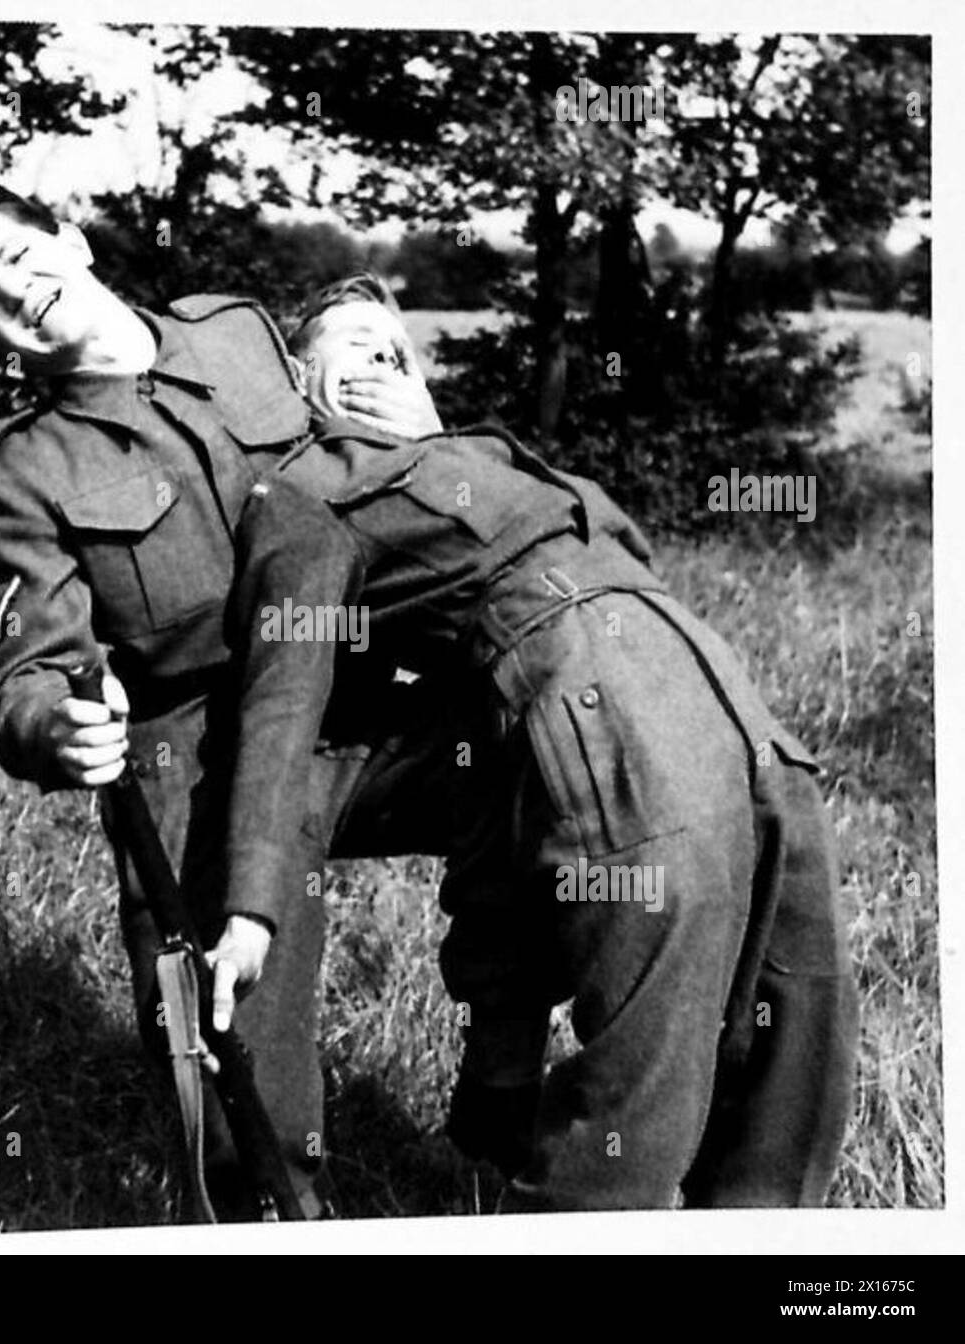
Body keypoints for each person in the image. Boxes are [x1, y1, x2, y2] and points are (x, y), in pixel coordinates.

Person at [212, 273, 858, 1209]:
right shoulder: (310, 491)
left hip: (725, 696)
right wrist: (254, 894)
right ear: (301, 383)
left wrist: (436, 440)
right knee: (652, 1049)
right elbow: (286, 687)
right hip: (594, 690)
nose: (386, 357)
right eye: (353, 346)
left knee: (802, 1010)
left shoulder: (492, 460)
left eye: (397, 345)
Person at [0, 190, 462, 1221]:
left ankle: (501, 1125)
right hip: (198, 753)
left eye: (18, 257)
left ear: (68, 239)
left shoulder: (238, 331)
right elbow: (27, 666)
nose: (14, 293)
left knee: (575, 773)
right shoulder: (22, 473)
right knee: (222, 1056)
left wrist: (429, 434)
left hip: (369, 701)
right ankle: (266, 1215)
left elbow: (383, 468)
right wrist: (52, 726)